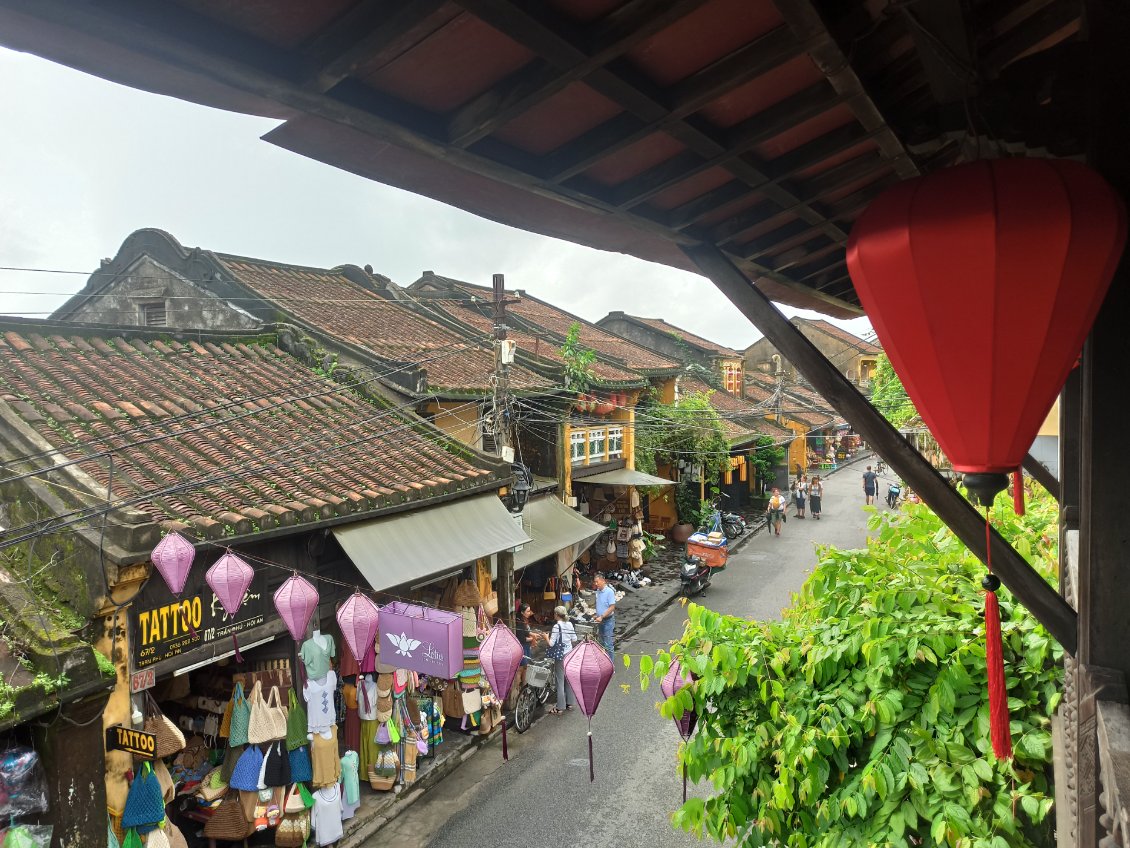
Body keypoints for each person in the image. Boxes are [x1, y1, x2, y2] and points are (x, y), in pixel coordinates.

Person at [546, 606, 577, 715]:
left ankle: (560, 707)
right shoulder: (569, 624)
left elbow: (551, 643)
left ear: (557, 615)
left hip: (560, 656)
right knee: (568, 678)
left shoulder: (556, 626)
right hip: (569, 653)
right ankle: (570, 703)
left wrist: (546, 637)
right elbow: (575, 639)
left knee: (560, 680)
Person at [592, 573, 617, 657]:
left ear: (603, 581)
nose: (596, 584)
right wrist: (597, 614)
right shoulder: (598, 592)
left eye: (597, 582)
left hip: (608, 621)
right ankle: (604, 663)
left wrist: (602, 616)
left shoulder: (609, 592)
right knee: (602, 642)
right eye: (595, 582)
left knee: (608, 644)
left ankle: (611, 667)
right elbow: (600, 604)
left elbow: (612, 607)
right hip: (600, 620)